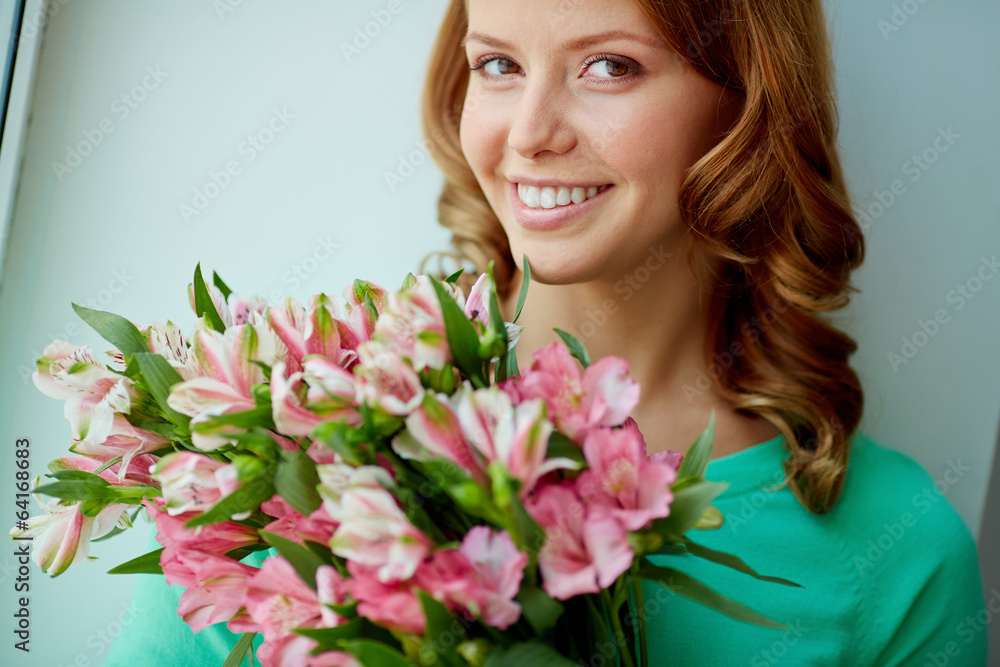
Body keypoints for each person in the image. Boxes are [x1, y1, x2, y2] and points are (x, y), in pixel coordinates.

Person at [105, 0, 988, 665]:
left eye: (609, 67)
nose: (527, 135)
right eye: (497, 66)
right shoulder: (298, 438)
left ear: (746, 103)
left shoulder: (898, 546)